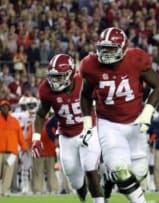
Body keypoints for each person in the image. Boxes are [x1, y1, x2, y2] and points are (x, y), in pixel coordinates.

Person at [79, 27, 159, 203]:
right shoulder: (90, 65)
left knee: (138, 173)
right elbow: (85, 95)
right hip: (109, 124)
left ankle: (108, 178)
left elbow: (157, 86)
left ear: (123, 48)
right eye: (104, 48)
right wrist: (88, 123)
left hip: (135, 123)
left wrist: (147, 112)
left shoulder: (136, 59)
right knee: (121, 170)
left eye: (111, 49)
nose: (106, 53)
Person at [32, 54, 104, 203]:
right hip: (66, 135)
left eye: (59, 76)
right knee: (75, 181)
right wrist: (36, 138)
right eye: (53, 76)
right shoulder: (47, 89)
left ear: (71, 74)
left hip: (88, 129)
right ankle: (83, 195)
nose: (55, 81)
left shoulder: (84, 82)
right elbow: (40, 114)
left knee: (90, 167)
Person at [0, 99, 28, 196]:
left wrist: (24, 147)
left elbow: (20, 135)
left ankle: (5, 191)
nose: (5, 108)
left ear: (9, 108)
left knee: (8, 172)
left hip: (12, 152)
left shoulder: (14, 121)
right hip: (0, 151)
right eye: (3, 107)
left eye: (6, 107)